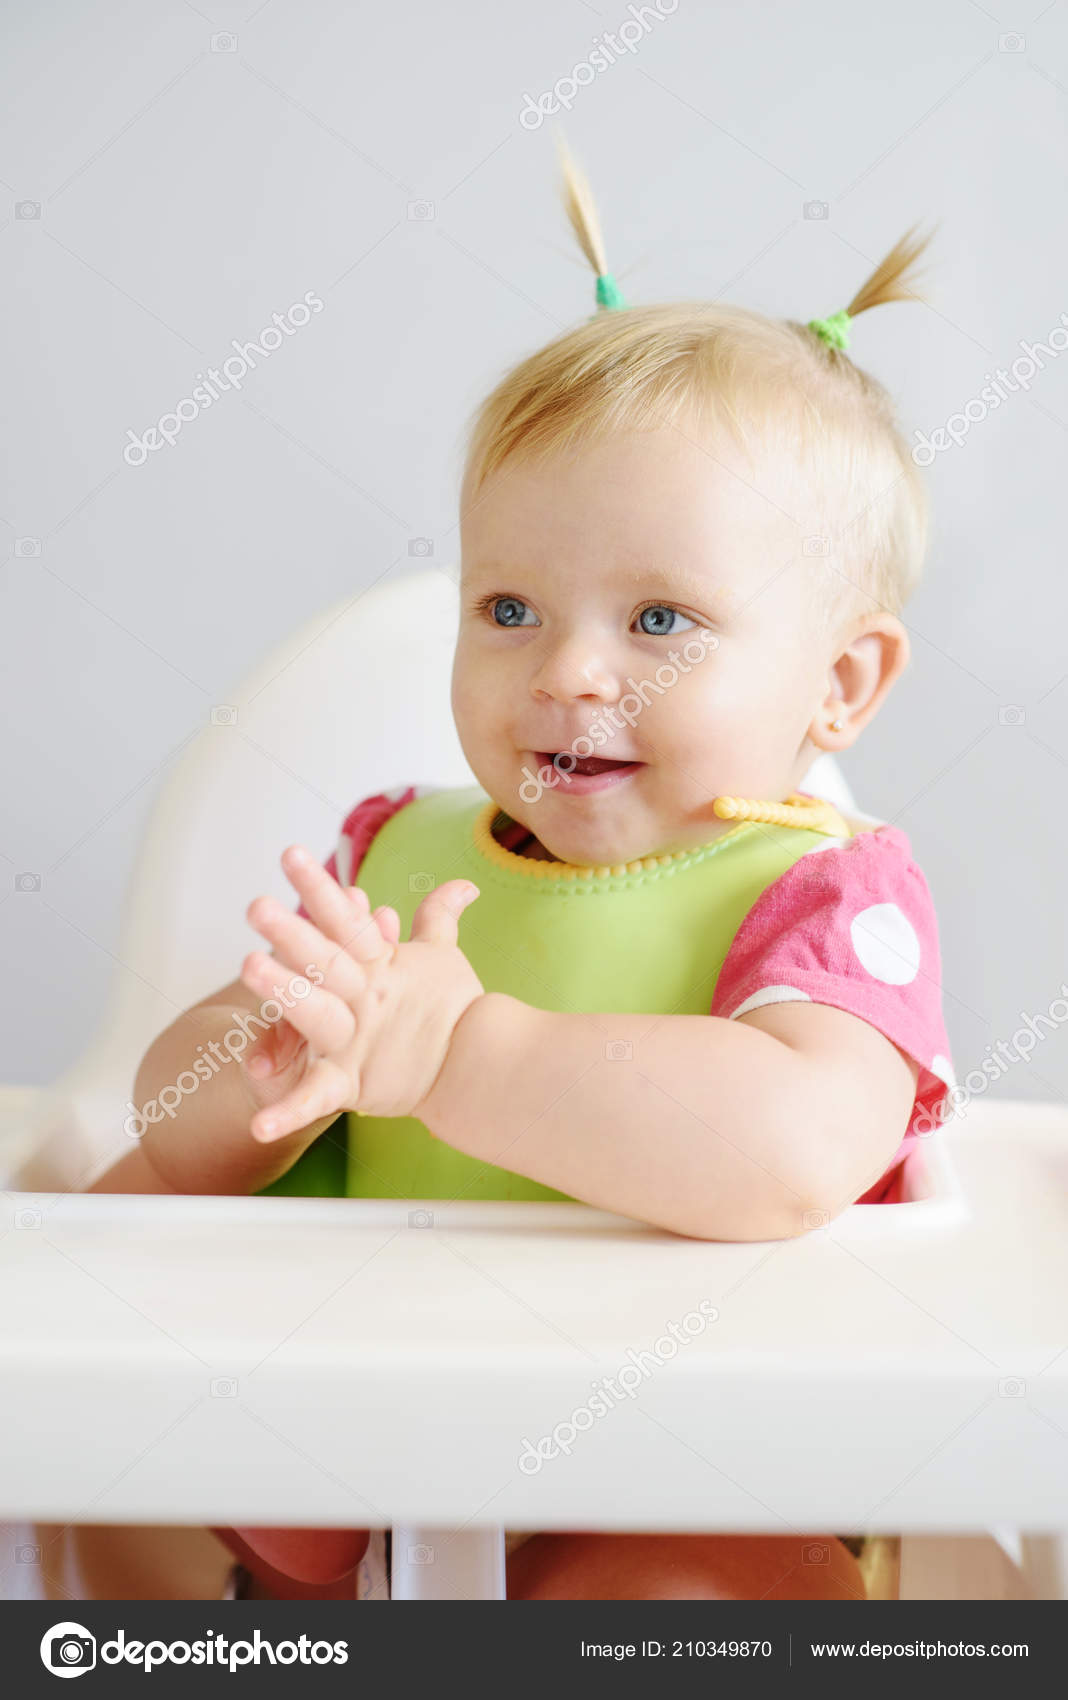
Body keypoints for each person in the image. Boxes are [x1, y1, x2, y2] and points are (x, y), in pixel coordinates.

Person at [93, 143, 954, 1603]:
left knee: (674, 1594)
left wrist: (458, 1053)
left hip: (693, 1483)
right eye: (507, 605)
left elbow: (796, 1151)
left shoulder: (827, 901)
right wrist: (271, 1065)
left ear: (841, 683)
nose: (566, 673)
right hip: (364, 1478)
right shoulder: (392, 854)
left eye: (664, 619)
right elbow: (163, 1142)